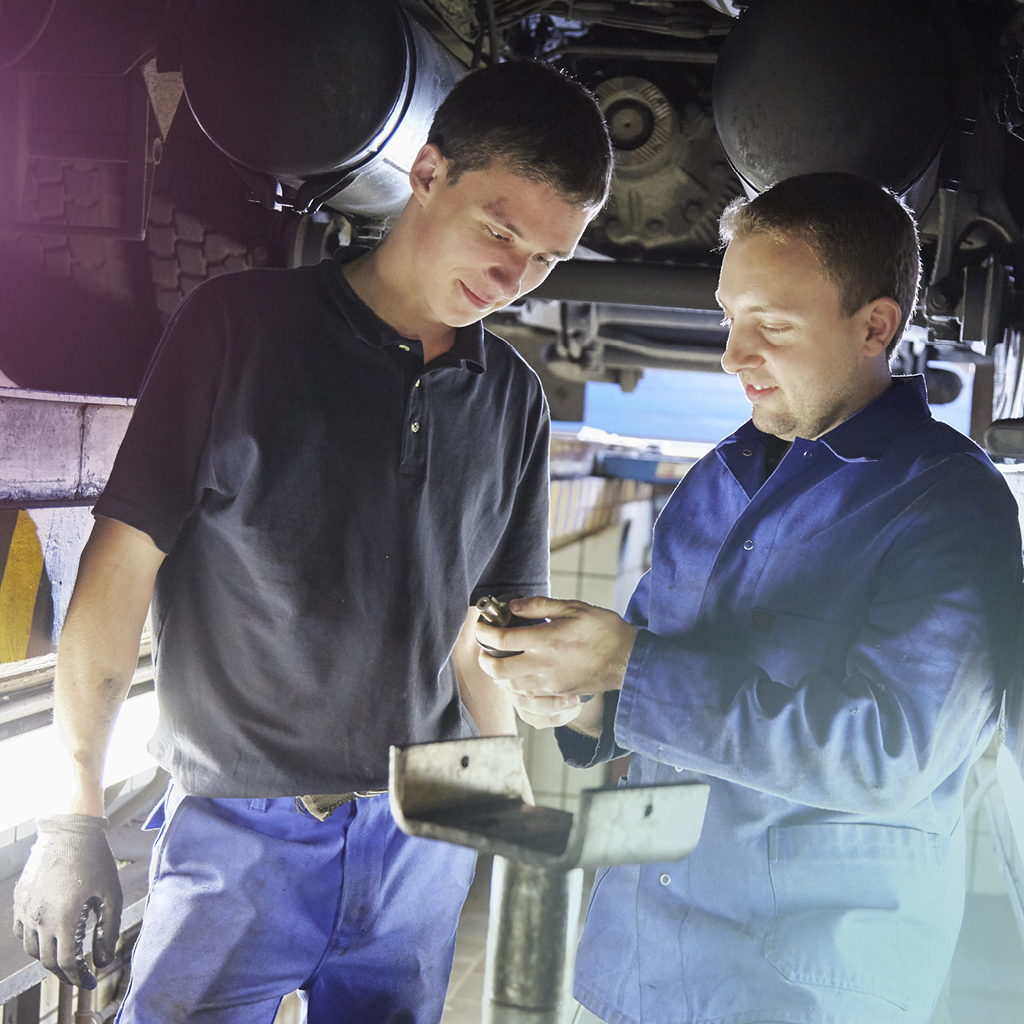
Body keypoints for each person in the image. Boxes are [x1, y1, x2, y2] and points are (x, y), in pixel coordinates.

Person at [13, 58, 612, 1024]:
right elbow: (117, 577)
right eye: (500, 232)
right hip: (241, 836)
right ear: (426, 174)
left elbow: (482, 634)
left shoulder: (513, 401)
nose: (513, 278)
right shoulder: (241, 330)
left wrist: (501, 799)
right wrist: (73, 810)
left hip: (426, 831)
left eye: (546, 260)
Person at [475, 172, 1023, 1024]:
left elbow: (889, 756)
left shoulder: (948, 504)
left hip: (798, 991)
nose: (734, 354)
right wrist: (574, 696)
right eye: (730, 319)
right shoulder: (715, 481)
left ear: (875, 325)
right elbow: (639, 703)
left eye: (771, 326)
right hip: (630, 968)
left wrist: (626, 660)